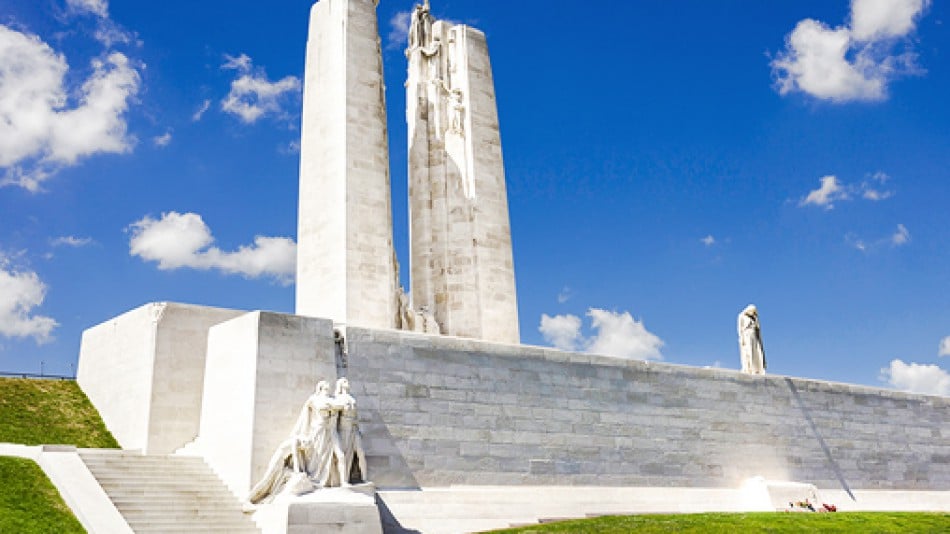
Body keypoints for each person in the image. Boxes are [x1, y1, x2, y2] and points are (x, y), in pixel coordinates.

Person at [334, 378, 368, 485]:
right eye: (344, 381)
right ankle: (344, 479)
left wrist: (359, 427)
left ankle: (365, 478)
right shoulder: (338, 397)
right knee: (346, 453)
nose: (347, 382)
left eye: (347, 381)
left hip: (354, 427)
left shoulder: (352, 397)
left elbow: (356, 414)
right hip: (344, 428)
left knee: (360, 452)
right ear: (340, 385)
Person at [738, 305, 766, 375]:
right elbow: (740, 329)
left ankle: (757, 369)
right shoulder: (741, 316)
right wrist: (742, 338)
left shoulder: (755, 318)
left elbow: (758, 330)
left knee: (757, 352)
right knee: (748, 352)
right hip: (747, 335)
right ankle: (749, 368)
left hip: (754, 336)